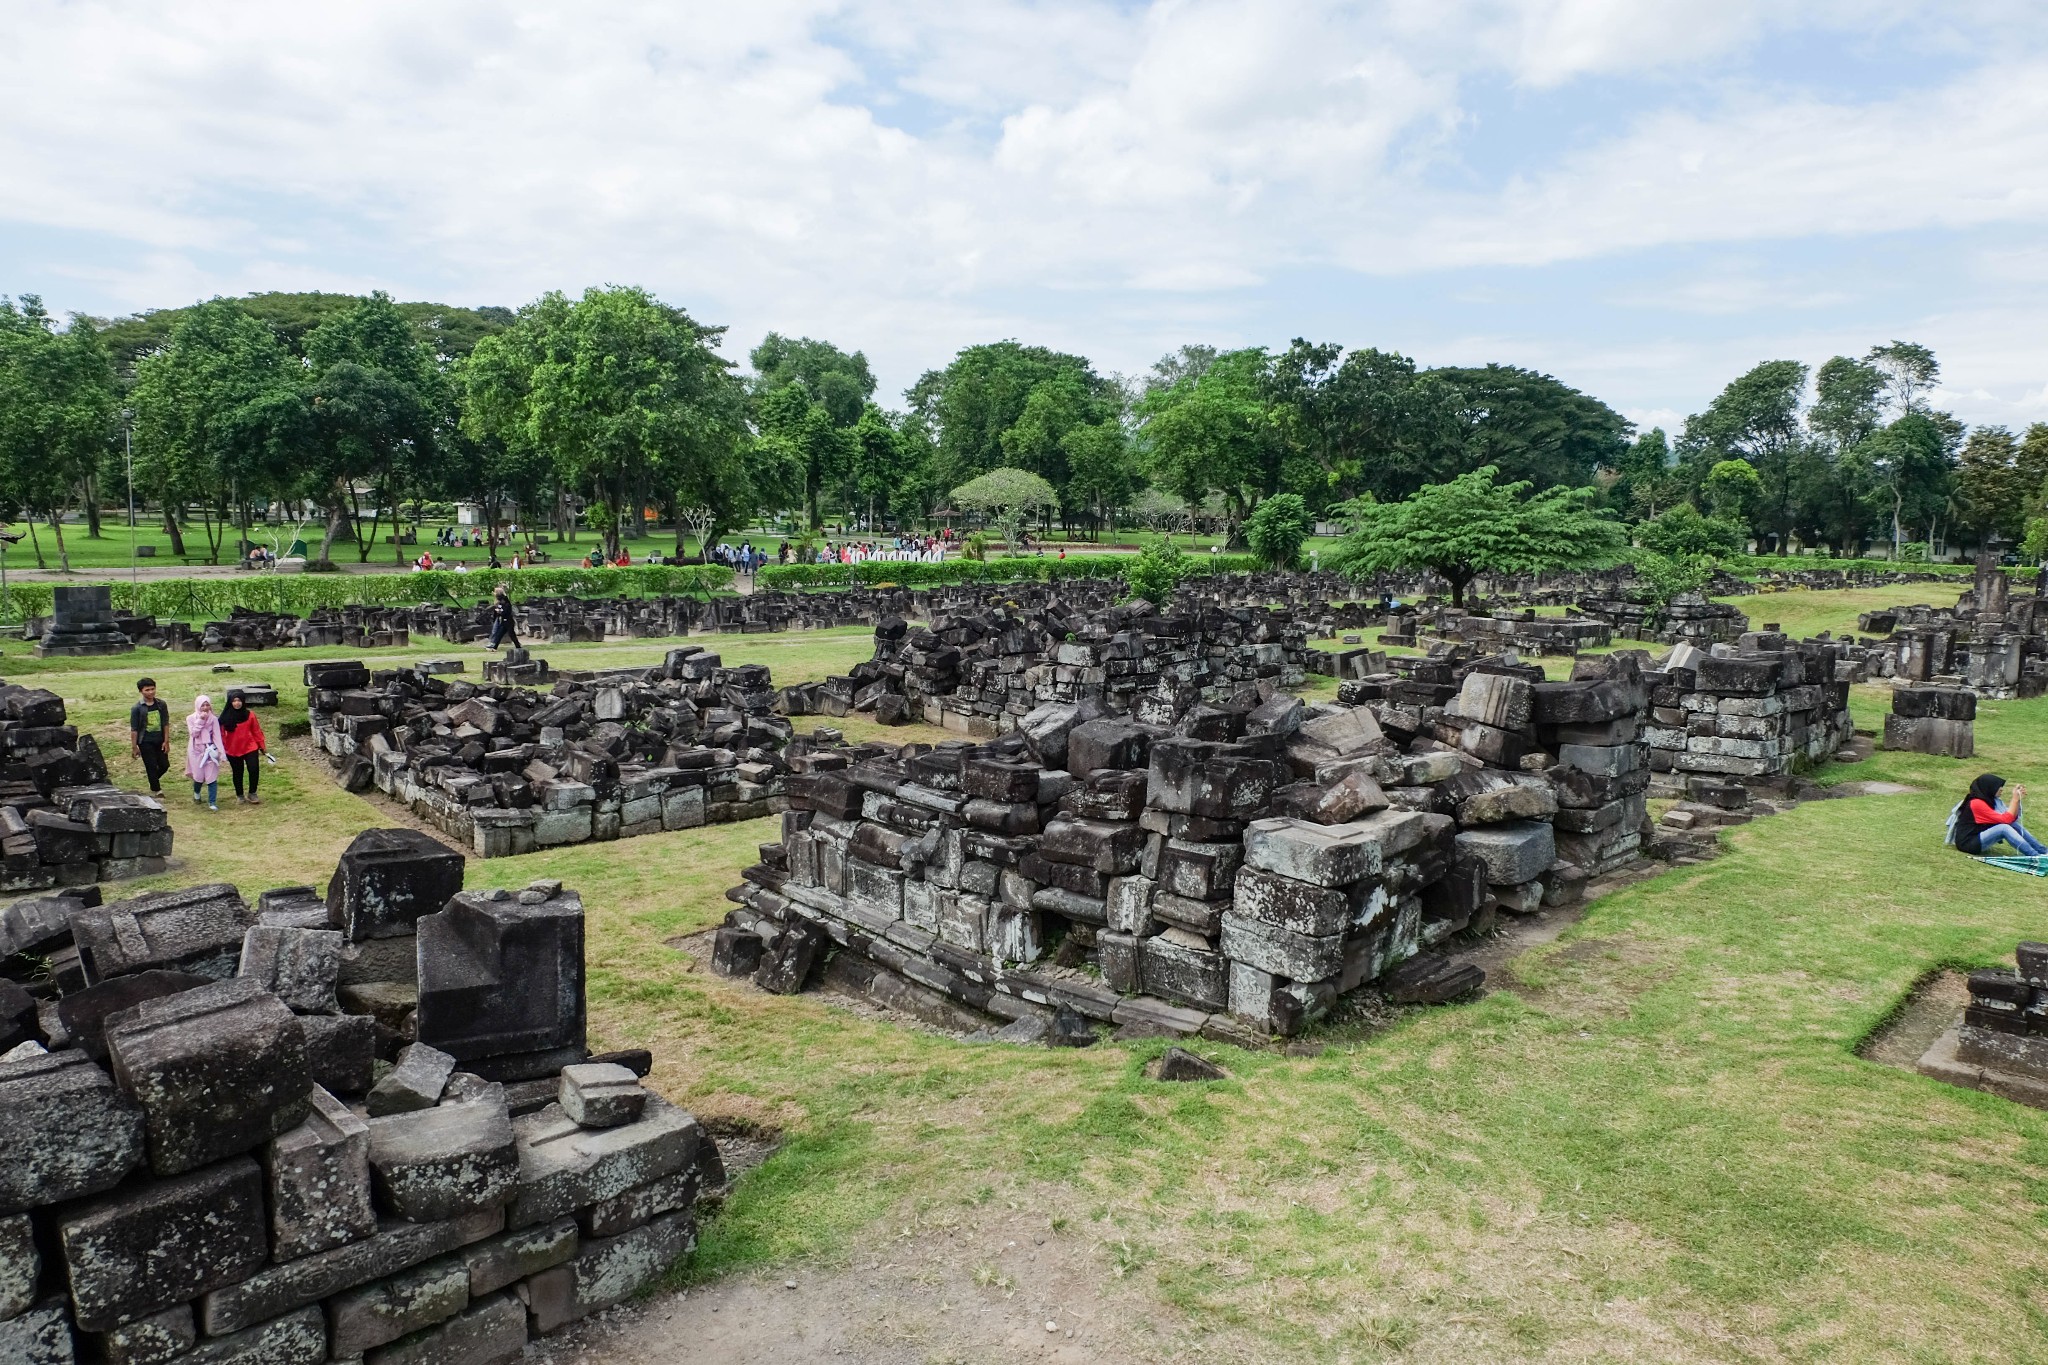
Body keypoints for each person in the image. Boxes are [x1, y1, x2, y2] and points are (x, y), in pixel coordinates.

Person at [1955, 773, 2046, 855]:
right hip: (1967, 843)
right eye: (1998, 786)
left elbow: (2011, 819)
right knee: (2003, 828)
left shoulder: (1991, 800)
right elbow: (2006, 820)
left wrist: (2018, 800)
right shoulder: (1976, 803)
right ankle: (2035, 856)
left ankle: (2044, 851)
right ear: (1989, 787)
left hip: (1978, 837)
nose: (2001, 789)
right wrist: (2015, 799)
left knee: (2012, 825)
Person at [219, 692, 268, 805]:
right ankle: (240, 795)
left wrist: (262, 746)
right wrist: (222, 748)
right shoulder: (225, 717)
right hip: (233, 749)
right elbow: (220, 734)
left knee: (254, 768)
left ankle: (252, 793)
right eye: (234, 701)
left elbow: (256, 731)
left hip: (250, 746)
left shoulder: (250, 715)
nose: (237, 703)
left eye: (239, 700)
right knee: (237, 772)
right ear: (230, 702)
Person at [130, 677, 171, 794]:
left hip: (159, 739)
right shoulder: (137, 708)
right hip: (145, 741)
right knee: (151, 765)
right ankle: (157, 789)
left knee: (164, 765)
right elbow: (134, 729)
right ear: (141, 691)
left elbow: (165, 723)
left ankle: (153, 780)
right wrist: (134, 747)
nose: (151, 692)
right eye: (147, 690)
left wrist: (166, 740)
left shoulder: (161, 704)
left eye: (152, 689)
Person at [185, 695, 224, 811]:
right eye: (203, 705)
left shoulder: (214, 719)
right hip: (196, 750)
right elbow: (194, 734)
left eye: (207, 705)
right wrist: (201, 720)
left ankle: (212, 802)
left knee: (212, 776)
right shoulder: (190, 718)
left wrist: (221, 752)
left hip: (210, 750)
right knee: (199, 776)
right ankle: (196, 793)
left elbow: (217, 736)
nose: (205, 708)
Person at [488, 584, 519, 650]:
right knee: (499, 635)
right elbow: (499, 610)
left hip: (509, 622)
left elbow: (506, 613)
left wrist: (500, 612)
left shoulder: (507, 605)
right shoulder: (501, 604)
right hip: (504, 622)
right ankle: (494, 647)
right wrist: (498, 612)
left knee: (512, 634)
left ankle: (518, 646)